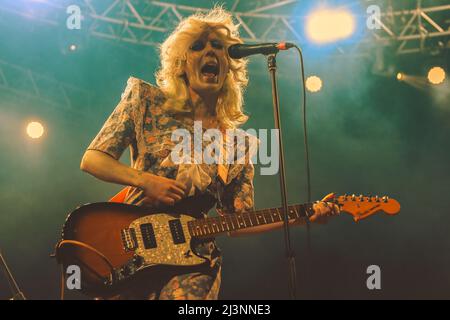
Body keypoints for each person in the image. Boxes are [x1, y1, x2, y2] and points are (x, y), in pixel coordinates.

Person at [80, 6, 338, 300]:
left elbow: (238, 221)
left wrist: (302, 216)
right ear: (181, 63)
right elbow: (92, 158)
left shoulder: (238, 144)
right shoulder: (146, 102)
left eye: (219, 46)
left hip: (193, 262)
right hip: (131, 250)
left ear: (230, 65)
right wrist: (145, 180)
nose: (210, 52)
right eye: (198, 46)